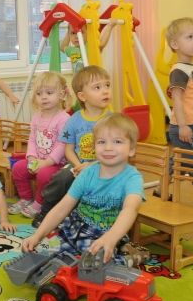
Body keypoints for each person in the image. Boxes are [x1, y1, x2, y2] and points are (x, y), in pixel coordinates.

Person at [22, 113, 145, 265]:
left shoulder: (132, 178)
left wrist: (111, 238)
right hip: (74, 228)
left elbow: (130, 209)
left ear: (131, 149)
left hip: (107, 234)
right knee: (44, 255)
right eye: (101, 142)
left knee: (94, 265)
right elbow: (62, 207)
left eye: (117, 141)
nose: (108, 148)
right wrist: (37, 236)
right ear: (94, 148)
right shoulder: (87, 173)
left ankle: (129, 256)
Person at [31, 65, 113, 228]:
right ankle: (46, 211)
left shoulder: (113, 120)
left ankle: (86, 217)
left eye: (107, 85)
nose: (105, 91)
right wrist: (77, 166)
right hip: (77, 164)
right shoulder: (74, 120)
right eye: (97, 87)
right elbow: (68, 150)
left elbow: (115, 151)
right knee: (62, 177)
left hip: (104, 166)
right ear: (82, 96)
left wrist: (92, 165)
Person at [161, 17, 193, 208]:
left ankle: (160, 189)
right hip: (186, 126)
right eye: (190, 37)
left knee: (178, 160)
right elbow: (177, 99)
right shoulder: (179, 71)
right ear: (175, 44)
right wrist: (183, 126)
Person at [8, 72, 71, 219]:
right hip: (37, 160)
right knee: (18, 168)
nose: (43, 97)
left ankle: (39, 203)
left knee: (44, 175)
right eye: (39, 93)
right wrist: (31, 157)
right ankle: (26, 198)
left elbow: (62, 145)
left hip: (56, 164)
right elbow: (32, 139)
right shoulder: (36, 117)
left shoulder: (64, 118)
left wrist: (46, 162)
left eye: (49, 93)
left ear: (61, 95)